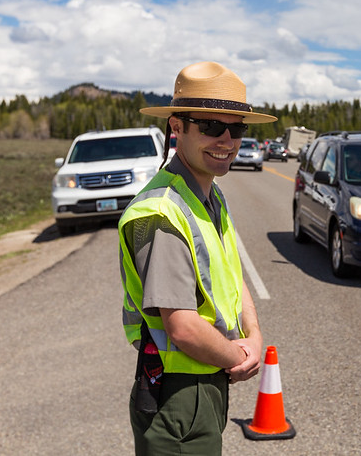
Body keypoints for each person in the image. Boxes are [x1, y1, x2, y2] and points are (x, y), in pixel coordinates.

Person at [118, 61, 277, 454]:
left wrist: (253, 336)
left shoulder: (210, 194)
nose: (226, 139)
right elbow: (184, 327)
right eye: (210, 126)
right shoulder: (161, 212)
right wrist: (238, 357)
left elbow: (229, 272)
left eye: (236, 128)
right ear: (177, 127)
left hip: (205, 381)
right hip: (177, 393)